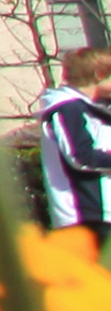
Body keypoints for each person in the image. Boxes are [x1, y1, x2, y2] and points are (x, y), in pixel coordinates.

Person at [42, 51, 111, 231]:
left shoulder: (94, 108)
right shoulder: (68, 109)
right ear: (99, 75)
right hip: (88, 214)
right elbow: (81, 156)